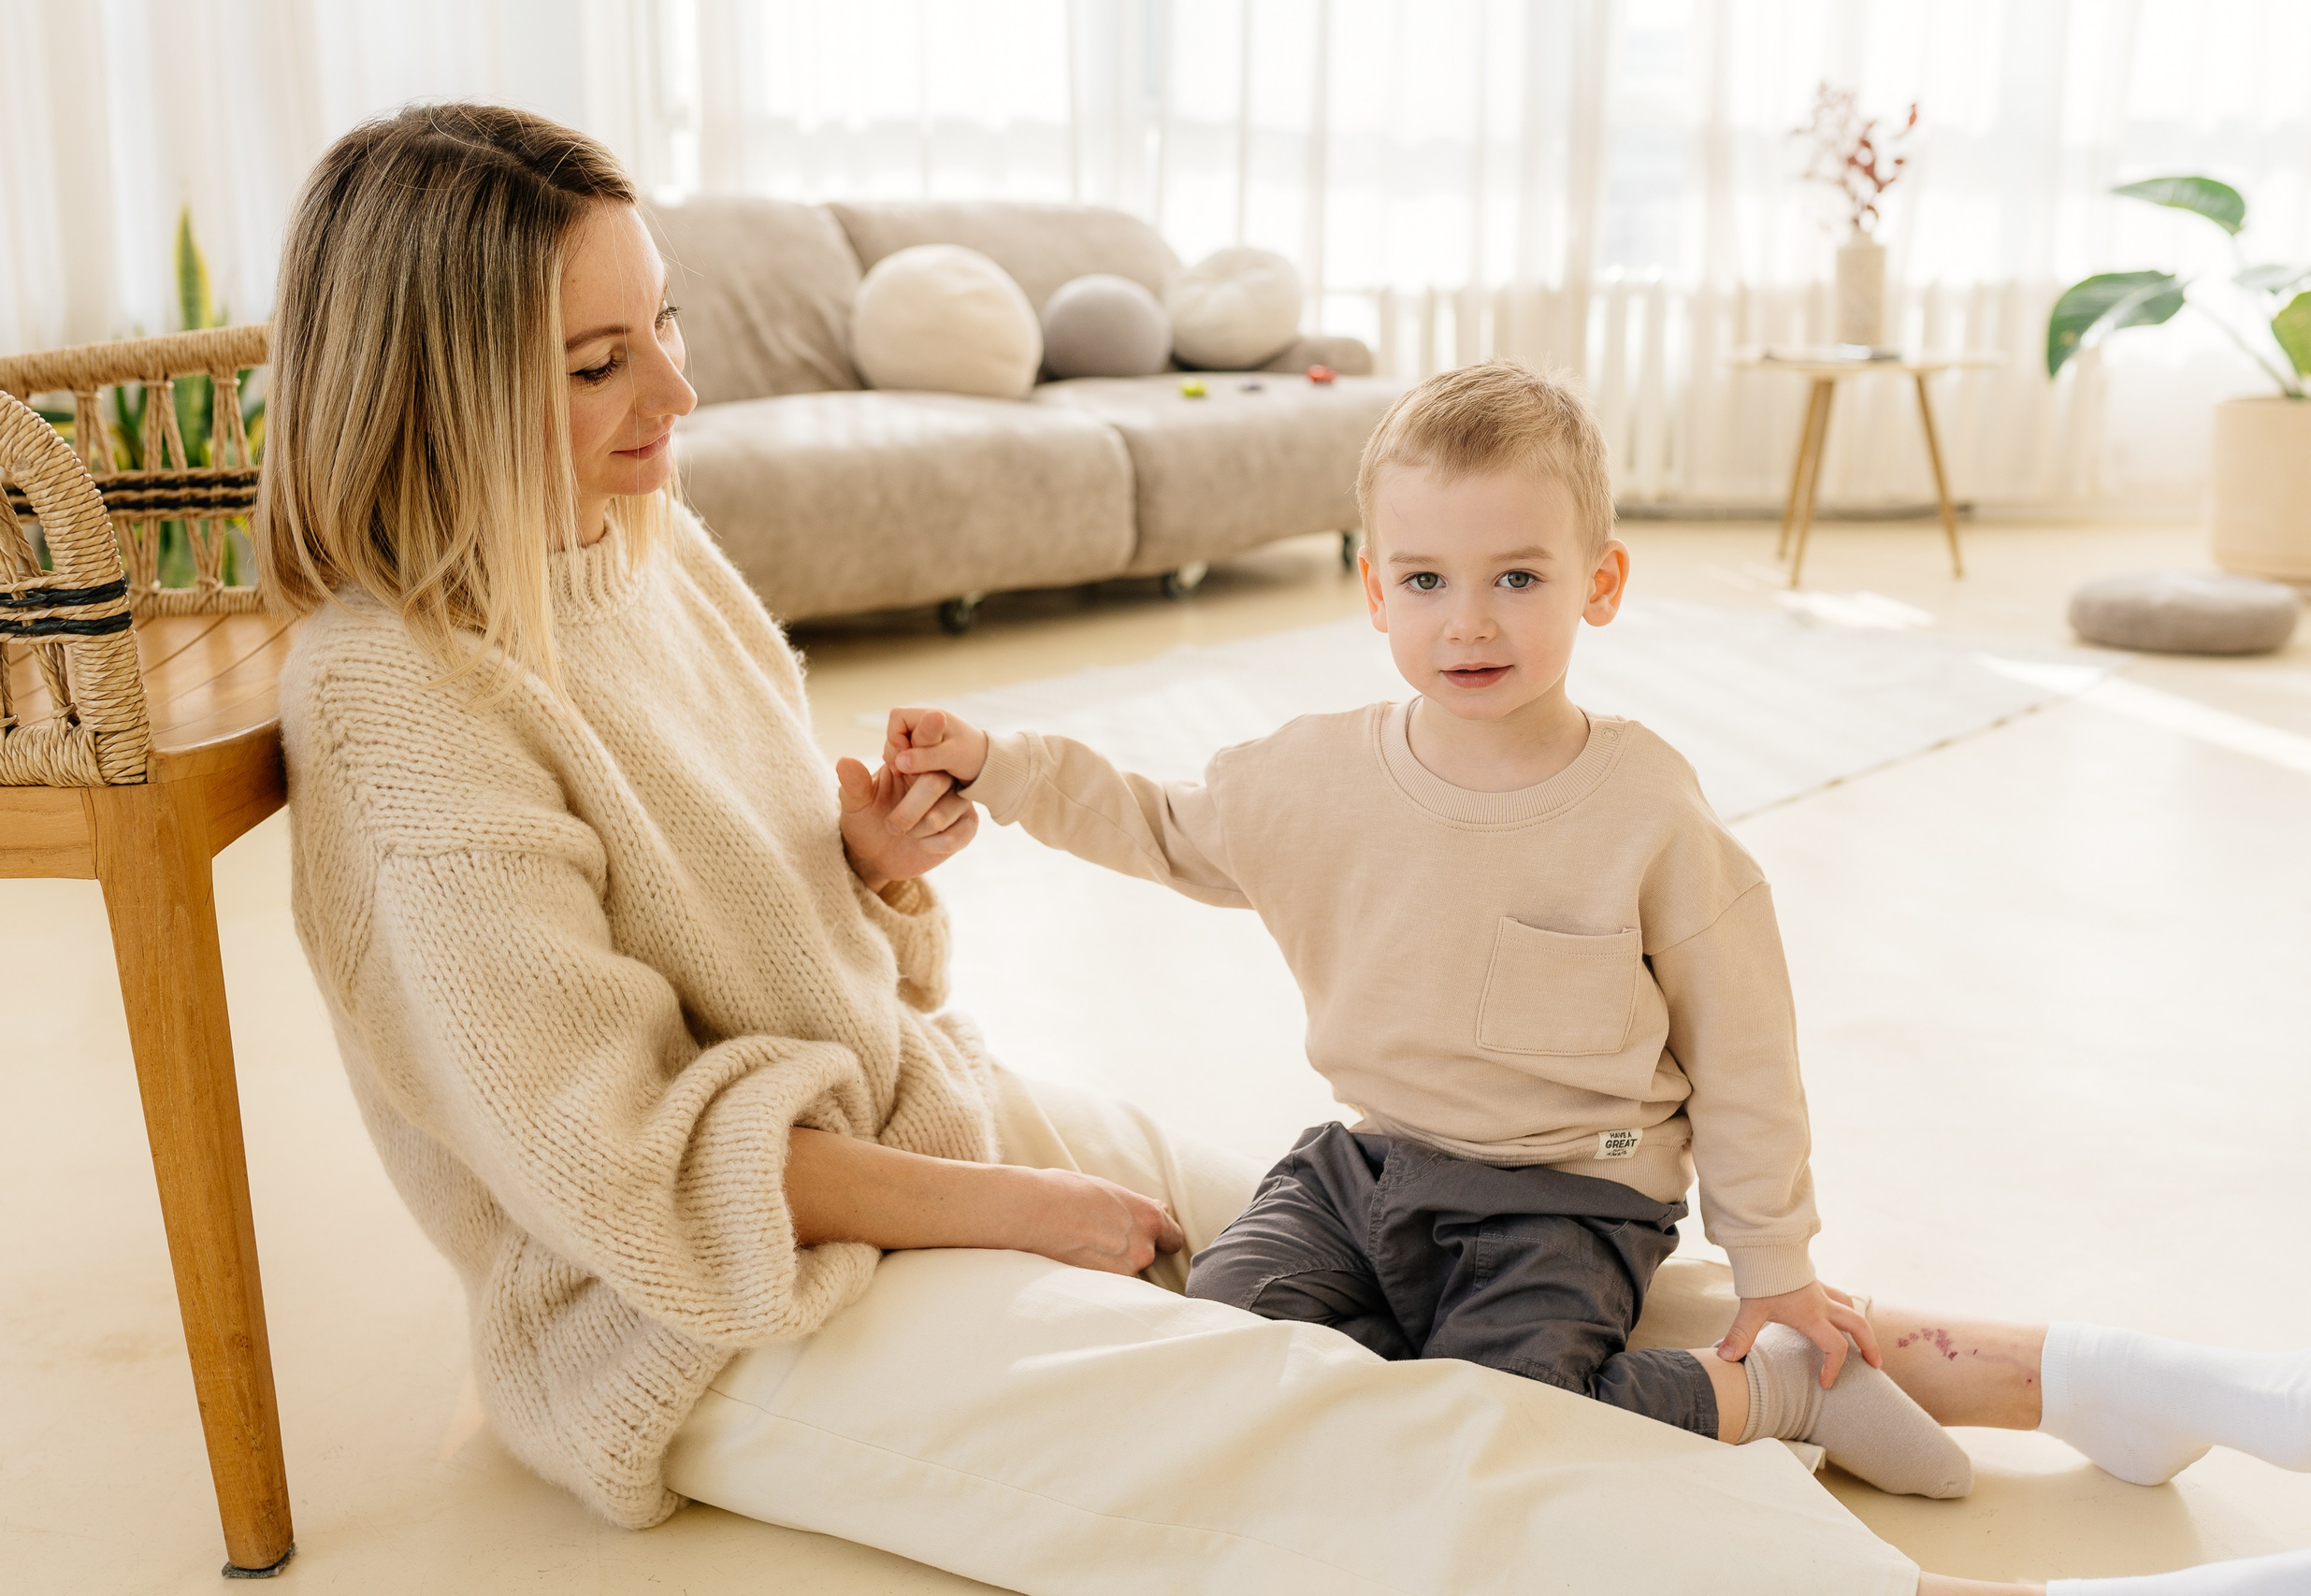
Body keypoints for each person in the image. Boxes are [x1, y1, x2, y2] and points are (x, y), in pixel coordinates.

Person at [259, 101, 2311, 1596]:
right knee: (1338, 1427)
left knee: (1479, 1213)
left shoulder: (633, 540)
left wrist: (868, 866)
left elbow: (752, 922)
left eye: (669, 326)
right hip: (711, 1310)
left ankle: (2076, 1374)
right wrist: (1016, 1214)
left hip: (907, 1119)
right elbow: (614, 1168)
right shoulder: (395, 702)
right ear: (434, 391)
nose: (677, 393)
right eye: (597, 364)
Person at [878, 361, 1971, 1499]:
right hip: (1364, 1172)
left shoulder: (1645, 805)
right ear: (1373, 590)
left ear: (1599, 583)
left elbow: (1742, 1044)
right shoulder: (1315, 772)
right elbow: (1158, 826)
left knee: (1500, 1422)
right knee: (1215, 1339)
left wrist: (1774, 1268)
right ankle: (1392, 1394)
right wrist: (999, 766)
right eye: (1425, 580)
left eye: (1515, 575)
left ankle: (1777, 1393)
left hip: (1569, 1197)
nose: (1469, 621)